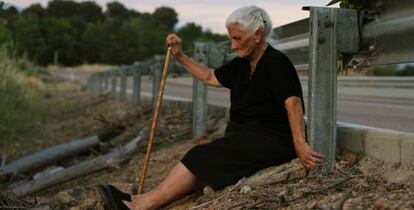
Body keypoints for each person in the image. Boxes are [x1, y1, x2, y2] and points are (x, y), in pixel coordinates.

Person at [98, 5, 323, 210]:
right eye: (231, 39)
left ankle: (140, 206)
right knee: (206, 164)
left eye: (237, 38)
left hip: (271, 141)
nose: (233, 45)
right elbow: (210, 77)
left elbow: (292, 103)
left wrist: (300, 144)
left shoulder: (277, 63)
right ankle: (139, 199)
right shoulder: (242, 63)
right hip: (246, 137)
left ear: (257, 35)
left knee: (199, 155)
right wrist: (180, 56)